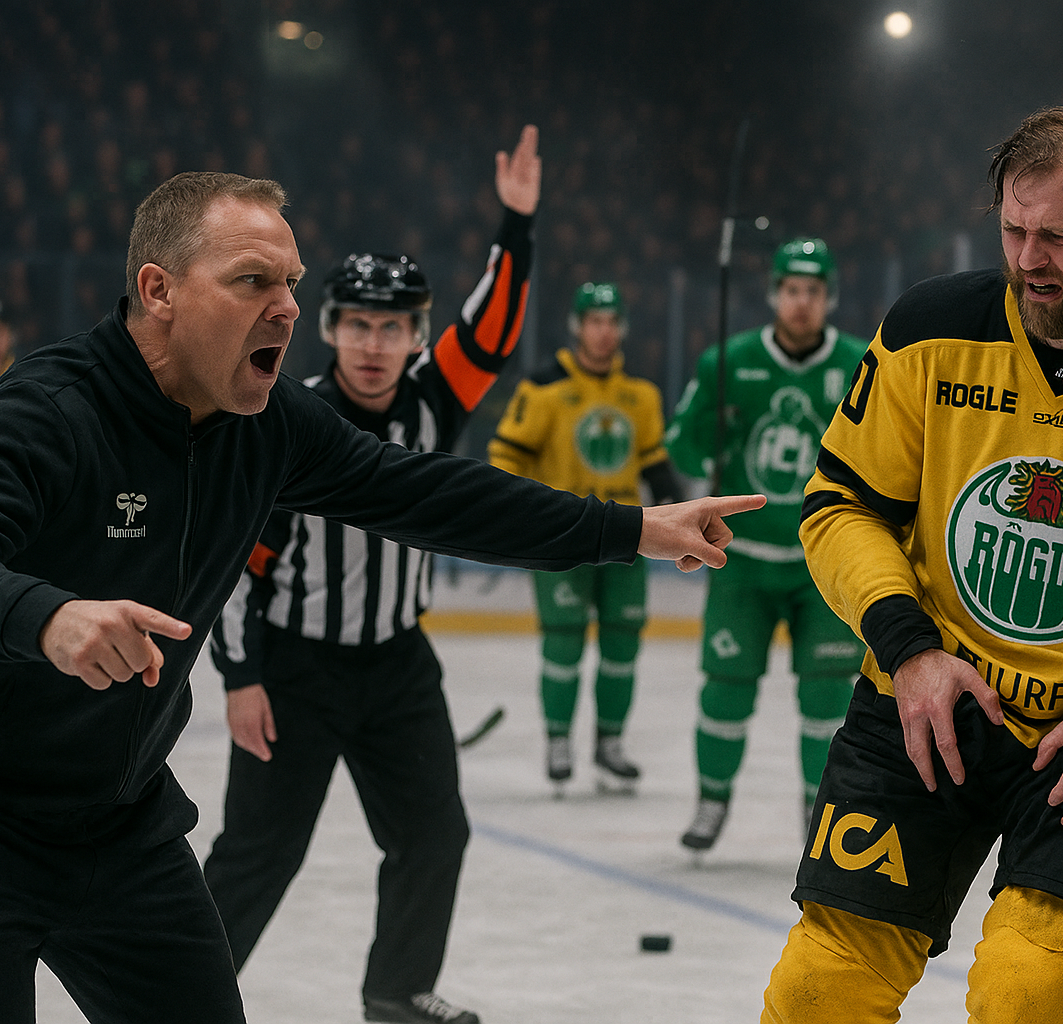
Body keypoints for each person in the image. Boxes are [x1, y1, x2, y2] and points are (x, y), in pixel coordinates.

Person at [0, 162, 762, 1024]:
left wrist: (633, 528)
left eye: (292, 283)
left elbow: (430, 494)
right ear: (159, 291)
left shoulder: (267, 426)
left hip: (117, 822)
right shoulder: (50, 408)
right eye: (252, 280)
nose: (287, 307)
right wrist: (48, 616)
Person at [760, 106, 1063, 1024]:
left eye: (1057, 237)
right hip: (924, 709)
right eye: (1013, 230)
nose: (1027, 259)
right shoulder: (929, 328)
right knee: (820, 990)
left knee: (1033, 991)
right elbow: (840, 507)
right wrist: (909, 651)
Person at [202, 127, 539, 1024]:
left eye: (394, 328)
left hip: (397, 666)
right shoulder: (284, 420)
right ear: (329, 328)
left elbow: (493, 329)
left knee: (434, 835)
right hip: (294, 670)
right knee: (259, 853)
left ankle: (395, 992)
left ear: (418, 337)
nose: (374, 344)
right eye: (357, 324)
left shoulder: (434, 398)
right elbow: (235, 564)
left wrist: (516, 223)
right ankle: (177, 1002)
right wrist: (241, 677)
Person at [662, 237, 869, 851]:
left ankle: (819, 812)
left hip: (824, 564)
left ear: (830, 298)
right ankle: (711, 801)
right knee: (725, 688)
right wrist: (710, 428)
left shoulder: (860, 364)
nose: (801, 302)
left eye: (813, 291)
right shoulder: (727, 362)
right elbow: (682, 449)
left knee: (828, 698)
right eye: (792, 289)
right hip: (741, 561)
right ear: (774, 294)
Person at [488, 281, 682, 790]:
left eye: (612, 321)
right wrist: (512, 516)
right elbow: (506, 456)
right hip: (563, 536)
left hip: (627, 537)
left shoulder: (641, 396)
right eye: (595, 321)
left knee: (622, 645)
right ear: (578, 327)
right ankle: (558, 739)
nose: (604, 331)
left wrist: (681, 510)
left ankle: (609, 743)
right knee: (563, 643)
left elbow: (655, 465)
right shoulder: (543, 388)